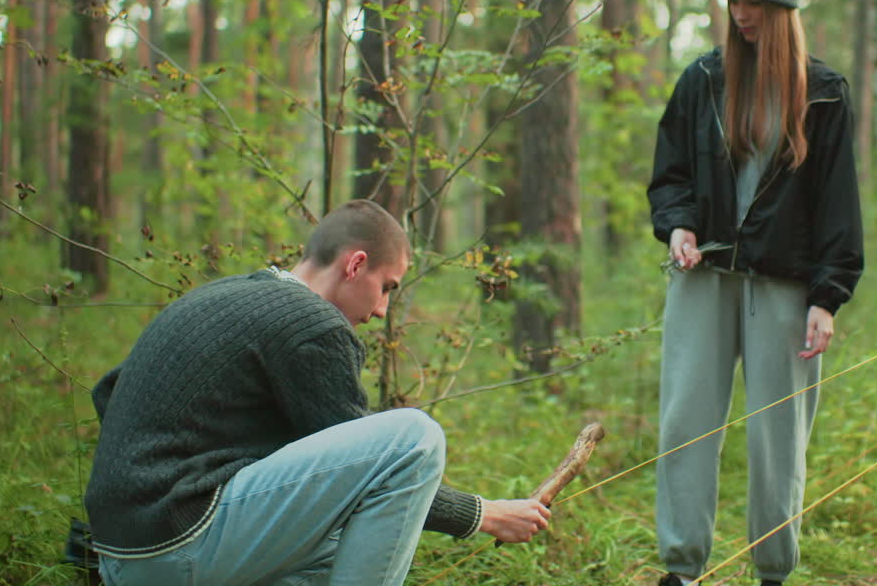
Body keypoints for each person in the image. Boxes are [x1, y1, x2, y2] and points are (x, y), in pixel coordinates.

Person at [83, 199, 550, 586]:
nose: (384, 309)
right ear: (355, 264)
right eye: (386, 287)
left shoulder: (223, 295)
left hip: (121, 555)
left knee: (341, 549)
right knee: (413, 437)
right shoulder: (311, 324)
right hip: (179, 544)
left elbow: (109, 391)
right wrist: (483, 514)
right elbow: (379, 469)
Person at [647, 0, 863, 586]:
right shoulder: (701, 81)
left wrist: (828, 296)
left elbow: (837, 205)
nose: (741, 14)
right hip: (704, 277)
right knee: (685, 425)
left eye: (754, 2)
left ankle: (773, 572)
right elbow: (671, 175)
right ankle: (682, 571)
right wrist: (678, 226)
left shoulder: (823, 93)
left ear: (783, 6)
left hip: (785, 287)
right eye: (733, 0)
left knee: (778, 442)